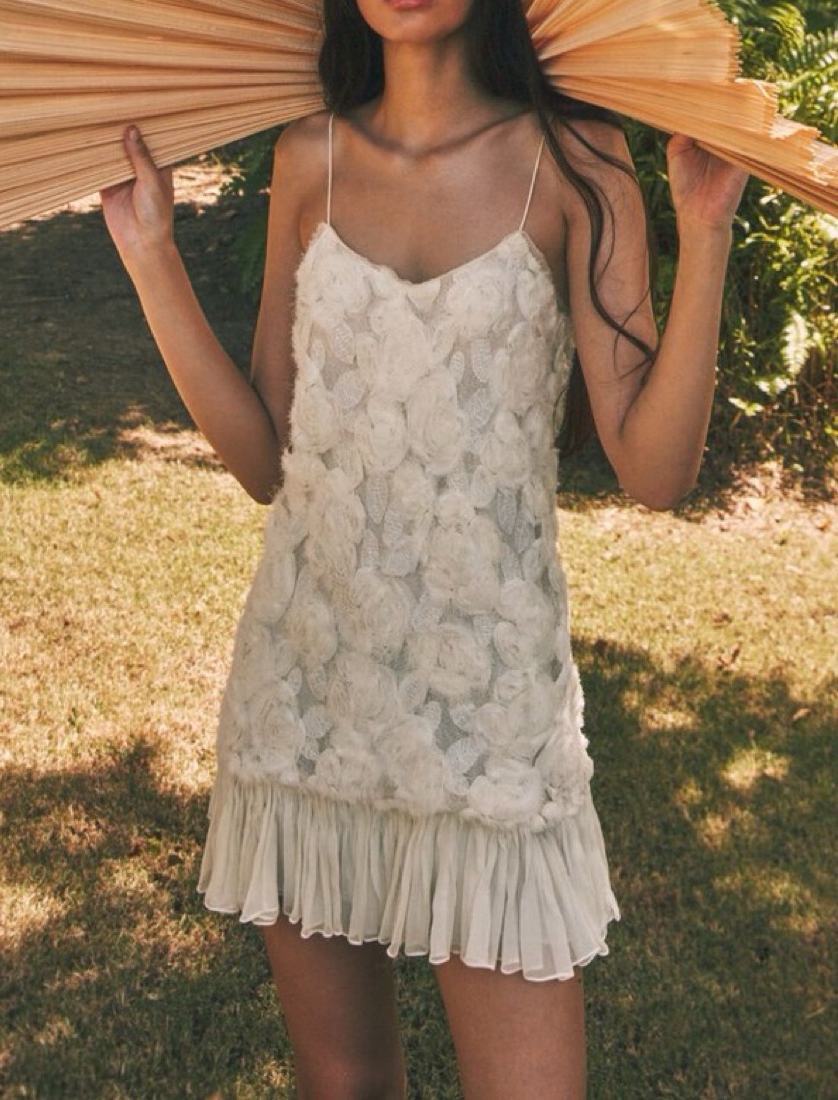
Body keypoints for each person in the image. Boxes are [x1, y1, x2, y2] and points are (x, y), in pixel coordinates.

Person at [101, 1, 748, 1096]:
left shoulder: (580, 161)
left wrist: (708, 234)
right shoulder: (306, 158)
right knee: (343, 1082)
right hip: (308, 694)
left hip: (489, 717)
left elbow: (654, 469)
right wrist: (150, 255)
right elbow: (265, 459)